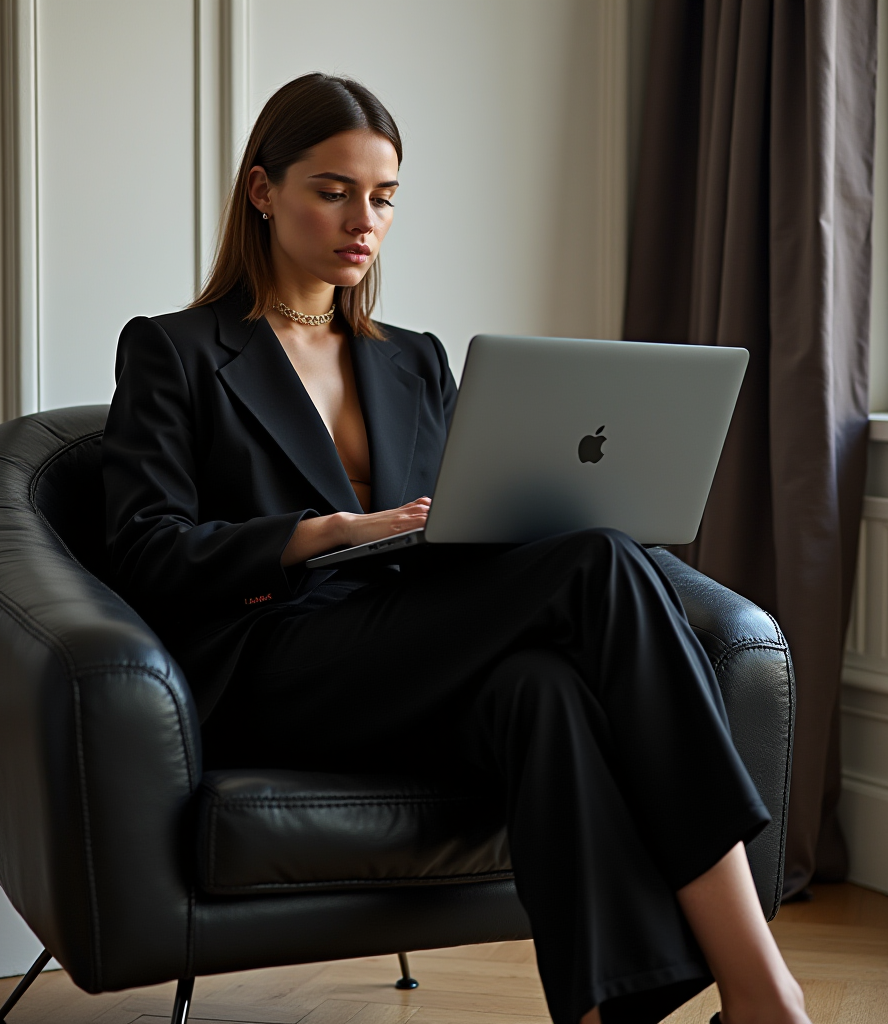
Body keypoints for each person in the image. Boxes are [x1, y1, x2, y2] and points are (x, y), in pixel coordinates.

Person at [102, 73, 810, 1024]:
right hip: (280, 664)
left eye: (384, 197)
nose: (365, 219)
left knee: (545, 691)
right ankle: (763, 986)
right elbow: (145, 551)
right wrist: (328, 533)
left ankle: (609, 1013)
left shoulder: (415, 359)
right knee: (599, 562)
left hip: (411, 648)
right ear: (263, 191)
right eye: (333, 189)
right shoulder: (175, 350)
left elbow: (454, 533)